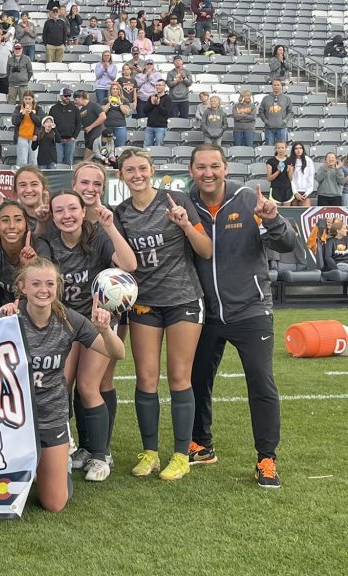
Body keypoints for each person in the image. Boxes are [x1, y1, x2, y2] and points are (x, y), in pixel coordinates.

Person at [183, 144, 295, 489]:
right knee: (197, 380)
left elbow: (288, 245)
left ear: (226, 168)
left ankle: (266, 458)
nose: (208, 173)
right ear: (191, 171)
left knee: (261, 384)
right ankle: (201, 444)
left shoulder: (248, 200)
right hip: (206, 312)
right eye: (201, 167)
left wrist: (273, 219)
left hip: (251, 310)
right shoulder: (187, 204)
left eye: (214, 166)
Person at [113, 148, 213, 481]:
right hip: (145, 303)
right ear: (121, 176)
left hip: (183, 298)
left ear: (152, 169)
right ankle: (151, 453)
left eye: (142, 168)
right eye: (130, 170)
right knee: (145, 378)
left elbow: (206, 249)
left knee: (179, 377)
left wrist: (186, 225)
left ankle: (181, 455)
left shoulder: (176, 200)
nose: (137, 175)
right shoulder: (121, 213)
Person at [0, 257, 125, 510]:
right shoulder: (8, 317)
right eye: (35, 284)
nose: (43, 290)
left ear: (57, 286)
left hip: (51, 415)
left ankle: (58, 467)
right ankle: (35, 466)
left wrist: (104, 329)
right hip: (13, 418)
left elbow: (117, 352)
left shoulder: (69, 319)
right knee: (2, 495)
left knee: (54, 503)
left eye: (49, 283)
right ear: (22, 286)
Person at [35, 190, 137, 481]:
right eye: (59, 211)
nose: (66, 215)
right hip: (64, 322)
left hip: (97, 321)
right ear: (52, 215)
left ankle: (101, 455)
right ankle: (74, 447)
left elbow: (129, 265)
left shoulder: (98, 236)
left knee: (89, 386)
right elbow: (41, 277)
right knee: (61, 385)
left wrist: (110, 226)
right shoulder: (47, 242)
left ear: (83, 212)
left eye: (72, 209)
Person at [0, 200, 35, 306]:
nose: (12, 226)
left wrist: (29, 267)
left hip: (33, 308)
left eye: (18, 220)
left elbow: (43, 293)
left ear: (26, 226)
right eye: (5, 220)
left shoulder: (39, 247)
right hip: (3, 310)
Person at [259, 80, 293, 146]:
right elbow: (261, 111)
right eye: (274, 85)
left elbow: (290, 112)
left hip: (282, 128)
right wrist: (266, 121)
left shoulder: (287, 99)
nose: (276, 86)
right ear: (272, 86)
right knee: (269, 148)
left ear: (281, 86)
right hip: (269, 128)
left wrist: (285, 121)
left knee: (281, 148)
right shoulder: (265, 98)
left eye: (278, 85)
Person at [143, 79, 171, 147]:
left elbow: (166, 112)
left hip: (161, 127)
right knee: (146, 147)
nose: (158, 87)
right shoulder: (152, 97)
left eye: (160, 85)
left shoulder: (168, 98)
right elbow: (145, 111)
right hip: (150, 126)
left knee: (159, 147)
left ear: (164, 86)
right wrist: (152, 104)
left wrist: (158, 104)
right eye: (157, 85)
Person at [266, 141, 294, 206]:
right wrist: (278, 171)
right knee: (276, 210)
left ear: (286, 148)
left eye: (282, 148)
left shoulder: (290, 161)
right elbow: (269, 178)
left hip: (287, 189)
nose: (281, 149)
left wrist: (289, 171)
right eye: (278, 148)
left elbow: (291, 179)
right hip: (275, 189)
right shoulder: (270, 161)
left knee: (286, 210)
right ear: (276, 149)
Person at [289, 141, 315, 207]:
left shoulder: (308, 160)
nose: (298, 150)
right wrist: (295, 192)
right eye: (296, 148)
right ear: (293, 150)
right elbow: (289, 179)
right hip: (293, 191)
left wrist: (307, 193)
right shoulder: (290, 161)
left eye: (300, 148)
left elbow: (311, 177)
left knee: (306, 210)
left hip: (305, 191)